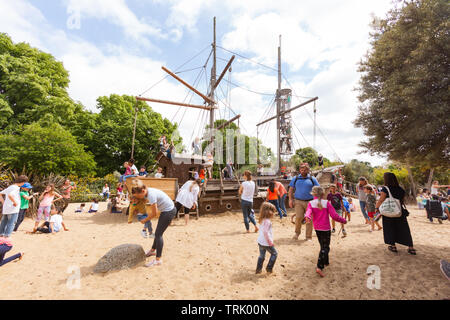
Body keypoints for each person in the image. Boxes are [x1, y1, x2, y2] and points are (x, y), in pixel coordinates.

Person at [130, 179, 177, 267]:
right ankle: (152, 250)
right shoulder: (147, 192)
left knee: (158, 234)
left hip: (169, 211)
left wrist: (145, 220)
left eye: (139, 196)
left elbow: (154, 213)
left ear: (143, 191)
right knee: (158, 233)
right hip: (166, 210)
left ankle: (158, 260)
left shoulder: (151, 195)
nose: (139, 198)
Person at [305, 186, 347, 277]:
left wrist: (307, 217)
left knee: (323, 246)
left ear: (313, 194)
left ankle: (326, 262)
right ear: (323, 194)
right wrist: (343, 220)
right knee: (325, 247)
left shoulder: (311, 203)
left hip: (317, 228)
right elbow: (334, 216)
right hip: (326, 228)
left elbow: (308, 212)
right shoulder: (327, 203)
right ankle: (319, 266)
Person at [375, 172, 416, 255]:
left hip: (388, 212)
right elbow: (402, 200)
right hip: (399, 211)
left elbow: (381, 200)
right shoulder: (401, 189)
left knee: (389, 228)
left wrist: (376, 207)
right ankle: (411, 247)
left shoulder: (385, 189)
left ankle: (393, 246)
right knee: (404, 229)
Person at [288, 163, 320, 241]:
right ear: (300, 170)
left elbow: (318, 189)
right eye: (302, 170)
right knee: (298, 217)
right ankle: (297, 233)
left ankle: (308, 237)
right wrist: (290, 199)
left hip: (310, 202)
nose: (303, 171)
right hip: (298, 201)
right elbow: (291, 190)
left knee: (309, 218)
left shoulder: (312, 179)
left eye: (305, 170)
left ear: (308, 170)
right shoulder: (295, 178)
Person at [256, 202, 278, 274]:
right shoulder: (268, 221)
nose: (273, 214)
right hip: (266, 243)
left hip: (260, 242)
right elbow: (265, 232)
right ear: (269, 212)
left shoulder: (262, 219)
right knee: (274, 254)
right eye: (273, 212)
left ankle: (258, 269)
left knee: (261, 256)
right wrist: (270, 242)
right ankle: (269, 268)